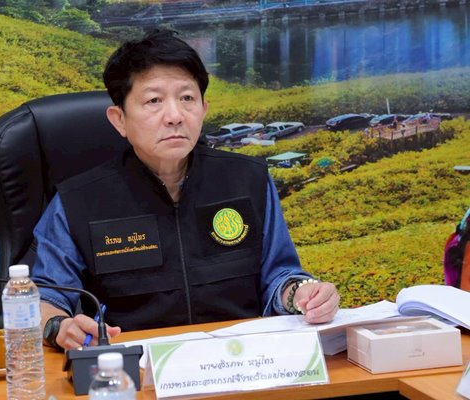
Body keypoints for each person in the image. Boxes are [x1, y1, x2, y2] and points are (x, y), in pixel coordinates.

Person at [31, 29, 340, 352]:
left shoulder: (249, 179)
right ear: (119, 119)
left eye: (187, 98)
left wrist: (302, 294)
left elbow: (280, 275)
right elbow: (47, 298)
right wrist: (58, 325)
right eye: (154, 101)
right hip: (134, 368)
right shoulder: (78, 200)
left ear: (203, 109)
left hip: (241, 361)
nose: (175, 116)